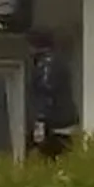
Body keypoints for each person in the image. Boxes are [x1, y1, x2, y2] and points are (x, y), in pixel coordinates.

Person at [25, 29, 77, 158]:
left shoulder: (46, 65)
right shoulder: (58, 61)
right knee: (62, 156)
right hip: (64, 120)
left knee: (45, 156)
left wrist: (40, 121)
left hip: (54, 122)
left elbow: (46, 91)